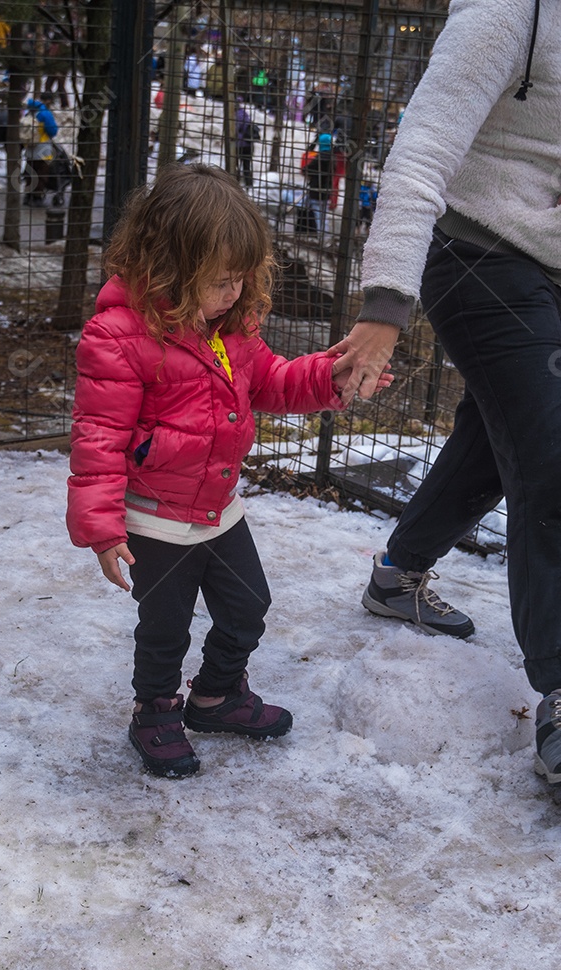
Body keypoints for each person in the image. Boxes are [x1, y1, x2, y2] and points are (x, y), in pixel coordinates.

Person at [65, 163, 393, 779]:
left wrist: (329, 377)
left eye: (242, 279)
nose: (235, 293)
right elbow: (98, 438)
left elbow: (270, 380)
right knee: (164, 626)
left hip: (219, 507)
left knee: (249, 606)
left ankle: (216, 697)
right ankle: (155, 711)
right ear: (170, 269)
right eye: (221, 281)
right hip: (155, 518)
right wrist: (102, 528)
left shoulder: (230, 328)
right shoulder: (117, 337)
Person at [327, 0, 561, 786]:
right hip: (478, 253)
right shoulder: (504, 17)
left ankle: (398, 577)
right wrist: (386, 305)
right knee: (551, 452)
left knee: (500, 441)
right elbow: (420, 153)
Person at [20, 93, 58, 205]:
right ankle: (37, 197)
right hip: (43, 149)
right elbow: (53, 131)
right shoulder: (45, 114)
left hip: (30, 149)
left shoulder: (29, 112)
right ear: (48, 101)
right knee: (41, 174)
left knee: (30, 173)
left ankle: (28, 196)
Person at [300, 131, 334, 238]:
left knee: (318, 216)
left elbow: (306, 169)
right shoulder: (333, 157)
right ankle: (324, 236)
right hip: (327, 190)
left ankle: (322, 237)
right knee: (323, 216)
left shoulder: (321, 158)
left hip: (316, 191)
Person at [235, 100, 255, 190]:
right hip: (248, 144)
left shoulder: (236, 115)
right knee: (246, 166)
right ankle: (248, 186)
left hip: (239, 144)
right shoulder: (245, 113)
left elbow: (236, 128)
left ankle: (235, 185)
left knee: (235, 166)